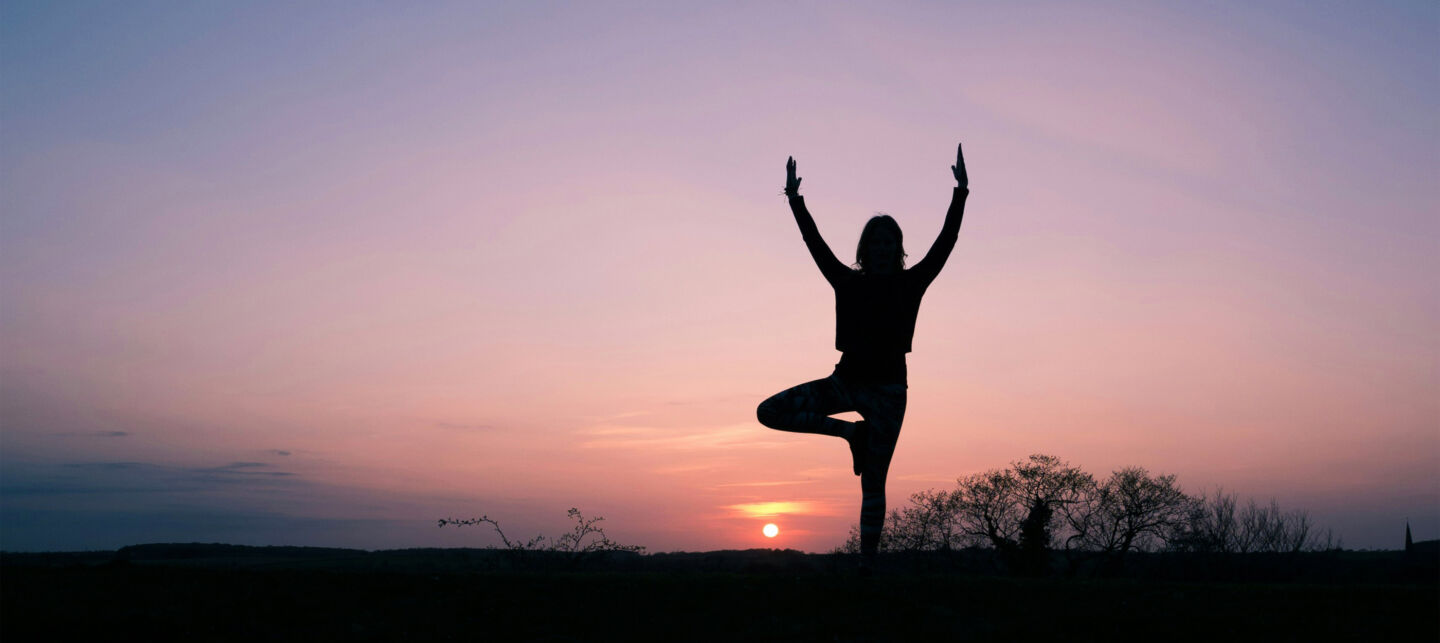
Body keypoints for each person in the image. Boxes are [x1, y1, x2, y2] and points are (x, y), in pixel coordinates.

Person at [756, 143, 969, 566]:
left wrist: (960, 191)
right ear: (865, 249)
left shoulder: (913, 283)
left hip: (889, 393)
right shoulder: (846, 282)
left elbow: (947, 241)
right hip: (845, 383)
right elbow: (813, 243)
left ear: (898, 248)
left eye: (889, 242)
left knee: (874, 484)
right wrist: (795, 199)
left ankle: (867, 569)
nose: (882, 248)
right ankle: (850, 434)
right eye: (876, 242)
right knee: (769, 411)